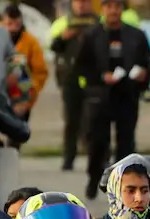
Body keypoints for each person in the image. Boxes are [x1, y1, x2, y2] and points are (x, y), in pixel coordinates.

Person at [78, 0, 150, 199]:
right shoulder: (91, 35)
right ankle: (94, 179)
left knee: (126, 144)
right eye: (109, 7)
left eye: (117, 7)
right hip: (100, 98)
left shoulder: (136, 35)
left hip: (127, 96)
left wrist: (144, 75)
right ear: (102, 10)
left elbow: (148, 62)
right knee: (98, 142)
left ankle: (125, 184)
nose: (113, 11)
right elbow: (81, 66)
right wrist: (101, 77)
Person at [49, 0, 98, 172]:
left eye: (85, 2)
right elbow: (53, 46)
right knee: (71, 122)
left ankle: (97, 159)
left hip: (93, 80)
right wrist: (63, 37)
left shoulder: (97, 23)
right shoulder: (63, 22)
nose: (82, 5)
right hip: (70, 80)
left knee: (94, 121)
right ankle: (69, 159)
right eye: (79, 2)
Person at [1, 5, 47, 124]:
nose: (13, 28)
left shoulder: (31, 43)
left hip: (21, 95)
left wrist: (31, 93)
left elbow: (40, 71)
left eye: (17, 24)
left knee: (16, 133)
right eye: (9, 24)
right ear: (3, 22)